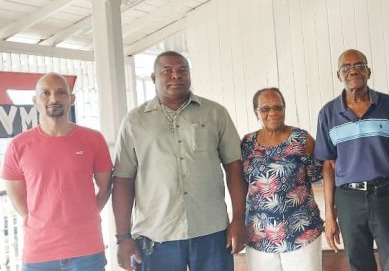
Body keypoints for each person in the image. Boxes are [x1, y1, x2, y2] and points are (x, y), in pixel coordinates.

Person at [111, 51, 246, 271]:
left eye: (182, 70)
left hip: (210, 230)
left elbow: (234, 167)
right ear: (154, 78)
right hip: (156, 235)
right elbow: (123, 180)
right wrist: (123, 237)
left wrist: (239, 219)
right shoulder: (134, 121)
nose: (176, 76)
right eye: (167, 71)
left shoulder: (215, 113)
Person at [314, 49, 389, 271]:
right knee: (359, 264)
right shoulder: (328, 114)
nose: (353, 70)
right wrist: (330, 216)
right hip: (348, 199)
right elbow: (328, 167)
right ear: (338, 75)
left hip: (388, 195)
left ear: (368, 71)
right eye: (346, 67)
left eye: (359, 65)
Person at [2, 72, 112, 270]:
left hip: (87, 250)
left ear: (71, 98)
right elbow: (17, 198)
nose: (53, 98)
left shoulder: (93, 140)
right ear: (35, 101)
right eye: (45, 93)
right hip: (39, 254)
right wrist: (39, 220)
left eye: (61, 92)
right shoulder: (18, 145)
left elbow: (105, 187)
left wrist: (88, 213)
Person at [241, 87, 324, 271]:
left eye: (278, 107)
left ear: (284, 109)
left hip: (301, 233)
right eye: (265, 109)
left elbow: (319, 174)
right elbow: (241, 183)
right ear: (256, 112)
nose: (273, 113)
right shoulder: (247, 143)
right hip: (259, 236)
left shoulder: (301, 139)